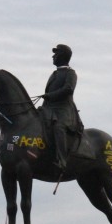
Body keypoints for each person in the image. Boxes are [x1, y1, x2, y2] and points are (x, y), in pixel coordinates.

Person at [41, 44, 82, 174]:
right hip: (50, 109)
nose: (53, 56)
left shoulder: (71, 73)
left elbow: (68, 89)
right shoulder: (54, 74)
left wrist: (50, 96)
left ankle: (62, 160)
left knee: (59, 127)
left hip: (64, 110)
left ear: (63, 56)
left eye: (56, 53)